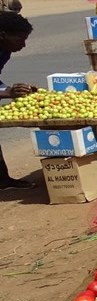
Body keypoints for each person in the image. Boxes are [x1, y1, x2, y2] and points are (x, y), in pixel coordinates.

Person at [0, 12, 37, 190]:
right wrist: (7, 92)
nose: (23, 45)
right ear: (3, 35)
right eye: (20, 39)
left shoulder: (4, 50)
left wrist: (8, 90)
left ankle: (2, 180)